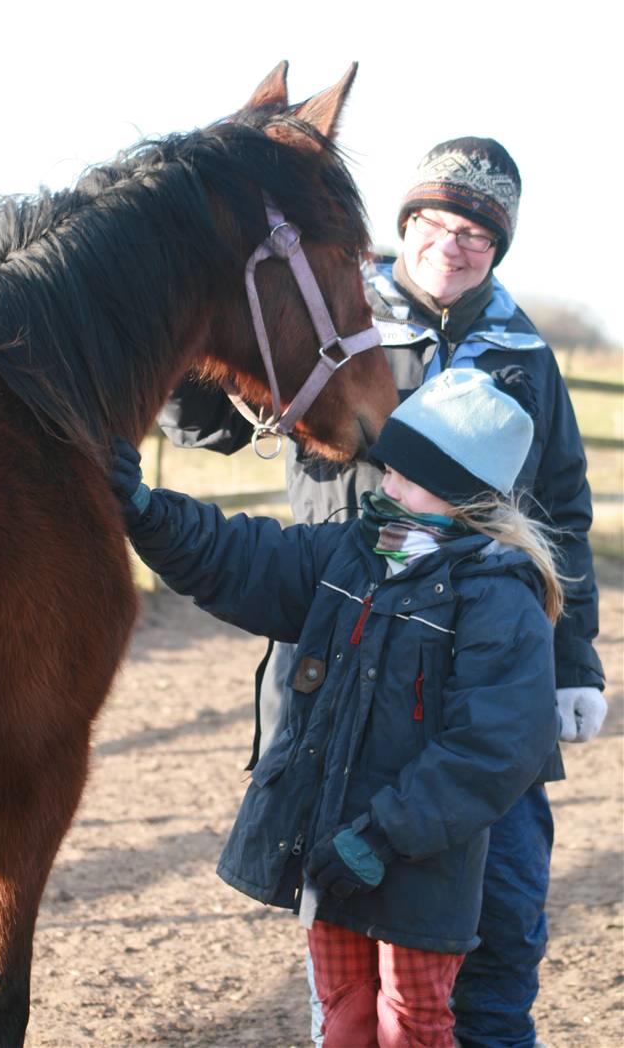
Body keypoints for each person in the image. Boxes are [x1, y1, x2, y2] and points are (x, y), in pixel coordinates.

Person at [156, 136, 607, 1047]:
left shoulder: (524, 354)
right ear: (406, 225)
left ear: (499, 246)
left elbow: (560, 509)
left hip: (482, 664)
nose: (454, 241)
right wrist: (187, 371)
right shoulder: (330, 311)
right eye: (435, 220)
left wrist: (574, 660)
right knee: (348, 926)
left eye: (478, 230)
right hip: (344, 650)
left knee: (502, 916)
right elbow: (208, 416)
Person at [110, 367, 562, 1048]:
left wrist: (381, 838)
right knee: (343, 1010)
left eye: (407, 475)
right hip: (329, 848)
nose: (386, 483)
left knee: (412, 1021)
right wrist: (145, 507)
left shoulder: (498, 596)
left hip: (417, 866)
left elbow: (495, 747)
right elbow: (243, 559)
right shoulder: (355, 552)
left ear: (458, 496)